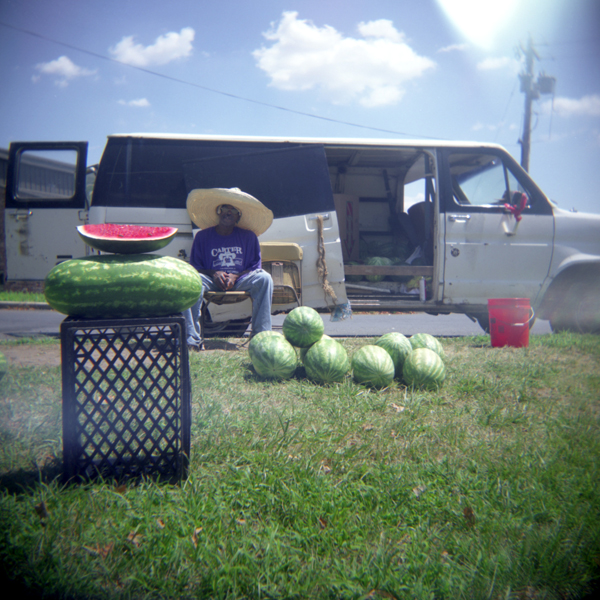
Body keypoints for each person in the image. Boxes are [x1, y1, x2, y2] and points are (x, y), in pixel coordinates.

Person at [184, 188, 274, 350]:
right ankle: (192, 338)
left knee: (264, 278)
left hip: (240, 281)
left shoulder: (249, 237)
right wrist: (214, 273)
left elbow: (254, 268)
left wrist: (236, 276)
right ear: (218, 212)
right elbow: (196, 268)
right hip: (211, 280)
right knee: (189, 281)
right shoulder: (202, 237)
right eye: (224, 208)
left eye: (234, 210)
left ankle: (261, 337)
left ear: (238, 217)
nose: (228, 212)